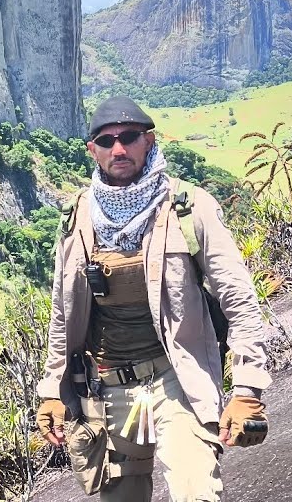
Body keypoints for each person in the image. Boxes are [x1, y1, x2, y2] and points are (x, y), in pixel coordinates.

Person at [36, 96, 272, 502]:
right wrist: (52, 391)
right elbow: (63, 314)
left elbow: (239, 299)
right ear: (92, 150)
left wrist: (248, 388)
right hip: (107, 387)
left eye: (129, 137)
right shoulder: (77, 218)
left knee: (196, 491)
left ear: (148, 141)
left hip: (175, 378)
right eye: (106, 141)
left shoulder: (188, 207)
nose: (119, 149)